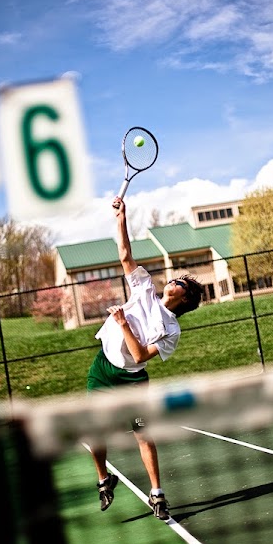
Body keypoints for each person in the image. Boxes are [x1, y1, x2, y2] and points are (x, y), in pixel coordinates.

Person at [87, 196, 203, 520]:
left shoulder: (171, 330)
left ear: (185, 297)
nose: (174, 279)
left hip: (132, 380)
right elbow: (125, 256)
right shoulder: (144, 288)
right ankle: (103, 479)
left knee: (142, 433)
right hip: (102, 371)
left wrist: (123, 323)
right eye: (175, 277)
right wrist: (121, 218)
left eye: (180, 281)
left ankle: (157, 493)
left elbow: (138, 354)